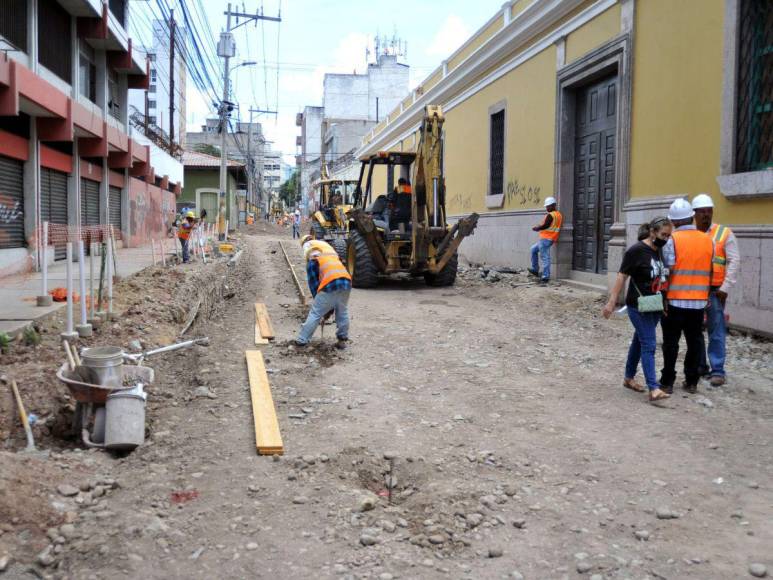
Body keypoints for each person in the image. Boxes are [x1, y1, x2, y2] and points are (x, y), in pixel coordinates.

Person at [603, 217, 673, 403]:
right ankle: (654, 388)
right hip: (638, 306)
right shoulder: (636, 251)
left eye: (668, 235)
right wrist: (612, 302)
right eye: (663, 234)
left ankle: (628, 377)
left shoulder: (659, 251)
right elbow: (621, 276)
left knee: (639, 341)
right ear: (652, 232)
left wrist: (665, 302)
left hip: (654, 306)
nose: (666, 239)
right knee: (649, 343)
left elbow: (661, 278)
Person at [660, 198, 714, 394]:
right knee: (695, 342)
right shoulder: (708, 240)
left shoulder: (671, 240)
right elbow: (710, 270)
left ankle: (667, 382)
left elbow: (667, 270)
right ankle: (691, 381)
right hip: (699, 302)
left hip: (674, 300)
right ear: (692, 217)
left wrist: (663, 297)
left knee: (671, 343)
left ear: (673, 221)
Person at [692, 193, 739, 387]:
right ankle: (701, 366)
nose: (706, 215)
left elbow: (734, 260)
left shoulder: (723, 233)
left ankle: (718, 370)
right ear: (694, 214)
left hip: (714, 291)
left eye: (709, 211)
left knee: (716, 330)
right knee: (695, 330)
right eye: (702, 212)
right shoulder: (689, 233)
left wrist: (725, 287)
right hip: (693, 290)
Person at [294, 235, 352, 349]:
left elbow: (314, 285)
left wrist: (322, 305)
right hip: (346, 282)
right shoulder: (330, 254)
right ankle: (342, 340)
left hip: (330, 284)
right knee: (342, 311)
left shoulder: (313, 260)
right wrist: (330, 307)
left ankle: (302, 340)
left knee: (315, 313)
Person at [528, 197, 563, 284]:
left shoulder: (550, 215)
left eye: (548, 206)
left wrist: (537, 228)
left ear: (553, 205)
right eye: (546, 206)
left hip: (546, 238)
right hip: (549, 238)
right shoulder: (558, 215)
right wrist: (540, 226)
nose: (546, 208)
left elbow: (546, 225)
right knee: (533, 249)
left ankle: (545, 276)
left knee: (545, 257)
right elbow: (549, 225)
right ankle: (535, 269)